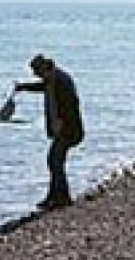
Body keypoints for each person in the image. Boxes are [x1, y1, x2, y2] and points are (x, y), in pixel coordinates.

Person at [13, 54, 84, 209]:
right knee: (55, 161)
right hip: (64, 130)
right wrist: (22, 87)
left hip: (69, 130)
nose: (36, 75)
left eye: (36, 72)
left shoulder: (61, 80)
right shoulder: (52, 79)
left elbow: (70, 105)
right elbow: (42, 87)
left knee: (55, 161)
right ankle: (55, 196)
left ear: (44, 67)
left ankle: (62, 197)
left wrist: (62, 122)